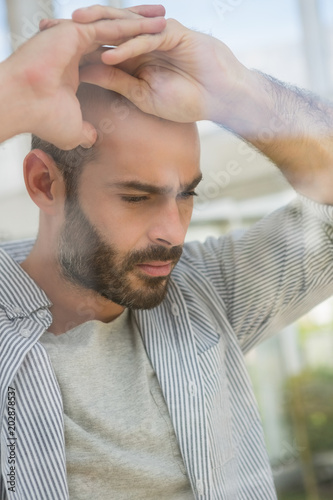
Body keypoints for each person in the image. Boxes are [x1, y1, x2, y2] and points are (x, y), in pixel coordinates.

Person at [1, 4, 333, 499]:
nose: (171, 233)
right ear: (44, 183)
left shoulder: (207, 291)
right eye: (137, 197)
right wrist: (9, 95)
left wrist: (237, 93)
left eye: (186, 195)